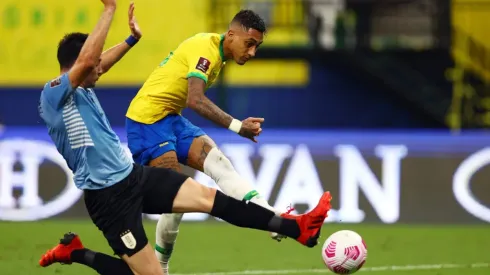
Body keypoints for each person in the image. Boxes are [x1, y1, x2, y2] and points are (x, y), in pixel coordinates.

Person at [37, 1, 333, 275]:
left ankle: (296, 228)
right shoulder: (53, 95)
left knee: (208, 199)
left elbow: (96, 64)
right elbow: (90, 63)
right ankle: (78, 253)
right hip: (107, 197)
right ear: (75, 66)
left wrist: (131, 40)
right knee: (148, 273)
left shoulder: (83, 89)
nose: (100, 68)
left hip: (132, 176)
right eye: (93, 64)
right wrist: (110, 8)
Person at [125, 9, 293, 273]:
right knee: (175, 197)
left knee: (220, 164)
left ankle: (270, 217)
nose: (252, 53)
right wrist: (238, 127)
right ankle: (160, 267)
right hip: (146, 122)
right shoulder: (206, 49)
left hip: (170, 118)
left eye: (257, 47)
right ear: (231, 34)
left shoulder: (218, 55)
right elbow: (195, 99)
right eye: (249, 44)